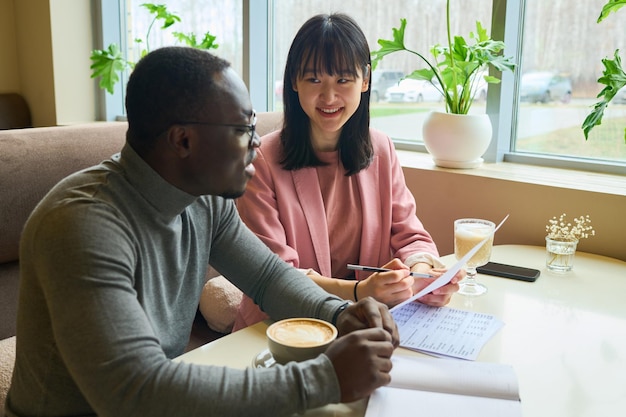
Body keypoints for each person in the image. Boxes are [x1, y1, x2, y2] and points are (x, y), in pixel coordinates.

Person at [5, 46, 399, 417]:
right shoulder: (82, 226)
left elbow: (266, 276)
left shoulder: (203, 199)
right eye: (245, 127)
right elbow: (132, 392)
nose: (258, 143)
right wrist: (323, 379)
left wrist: (340, 314)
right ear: (183, 140)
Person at [233, 13, 462, 331]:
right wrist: (359, 293)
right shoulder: (262, 160)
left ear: (365, 79)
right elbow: (273, 276)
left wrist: (423, 275)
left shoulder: (380, 149)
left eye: (343, 80)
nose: (328, 97)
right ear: (294, 82)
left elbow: (410, 236)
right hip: (283, 328)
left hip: (364, 326)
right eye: (314, 80)